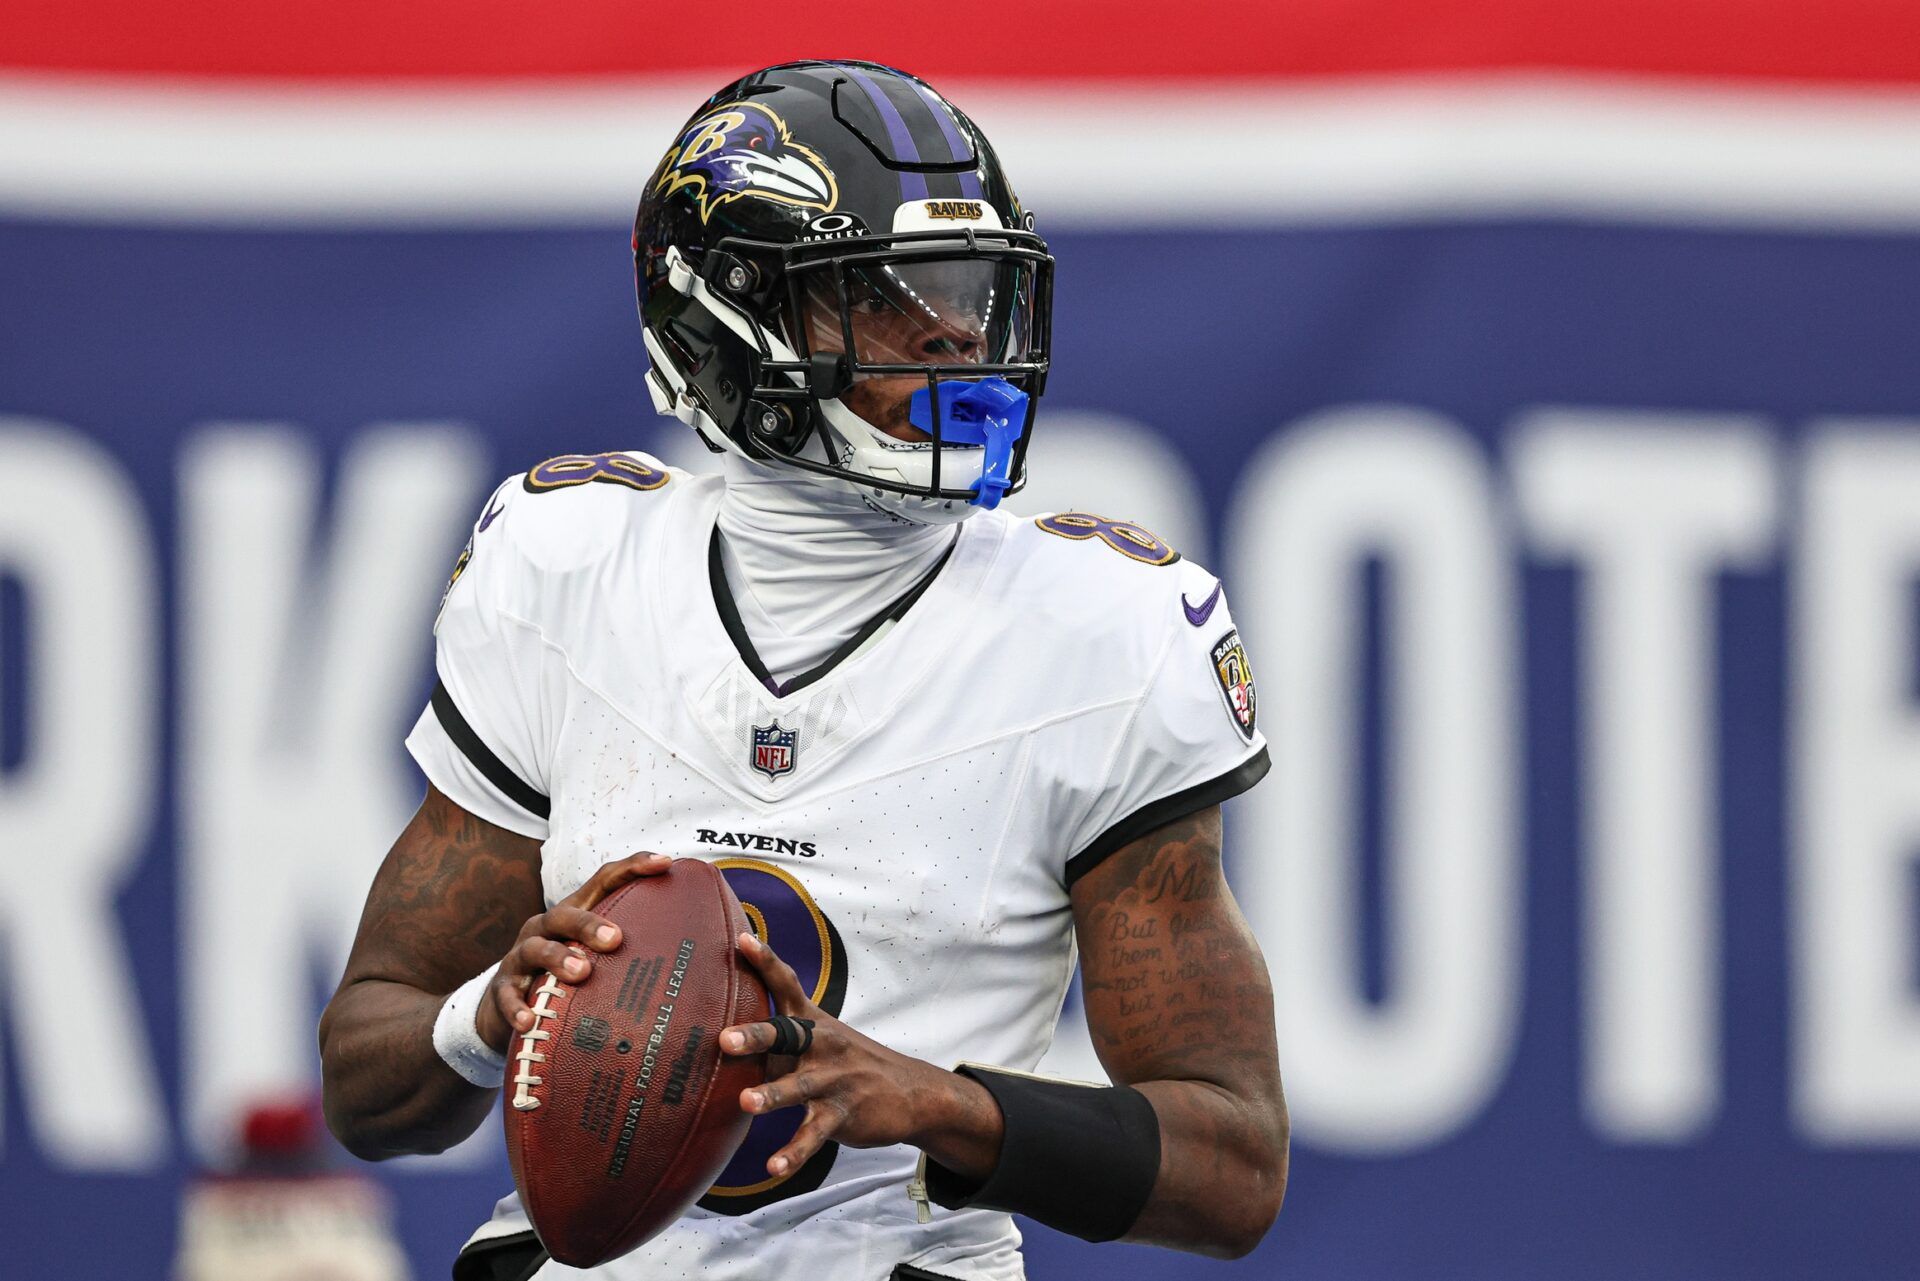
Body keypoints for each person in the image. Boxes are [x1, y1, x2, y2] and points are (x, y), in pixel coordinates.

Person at [318, 60, 1287, 1281]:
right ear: (727, 317)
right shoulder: (567, 569)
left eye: (970, 293)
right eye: (884, 296)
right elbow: (365, 1076)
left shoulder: (1106, 632)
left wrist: (943, 1106)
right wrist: (488, 1018)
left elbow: (1236, 1166)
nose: (954, 336)